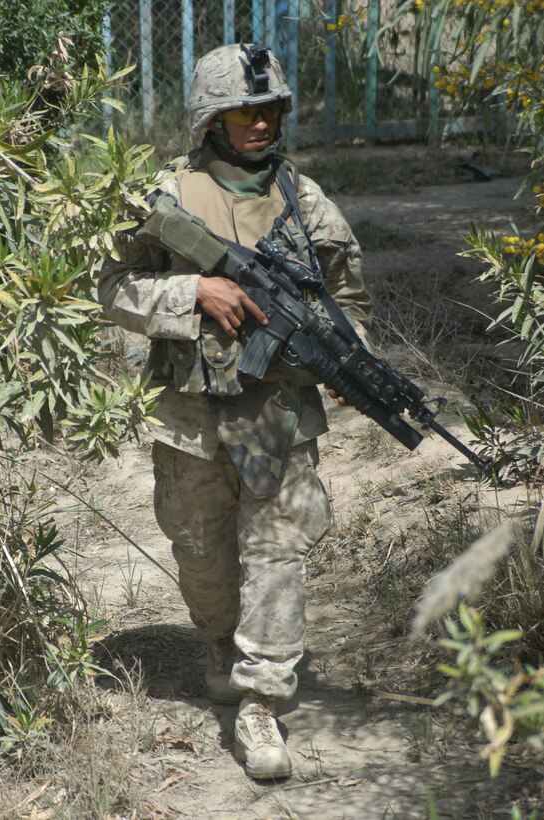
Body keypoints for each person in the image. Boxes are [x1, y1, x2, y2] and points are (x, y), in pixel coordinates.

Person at [98, 42, 371, 781]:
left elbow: (347, 299)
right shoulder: (164, 197)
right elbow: (111, 287)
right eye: (243, 110)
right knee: (200, 553)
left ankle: (260, 699)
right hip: (188, 412)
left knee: (278, 551)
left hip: (274, 411)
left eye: (269, 108)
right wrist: (194, 294)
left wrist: (350, 360)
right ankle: (220, 639)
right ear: (210, 118)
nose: (259, 122)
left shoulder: (304, 197)